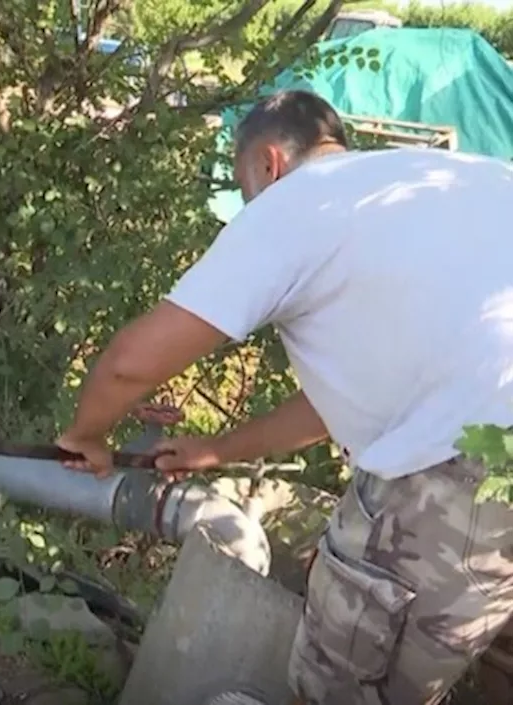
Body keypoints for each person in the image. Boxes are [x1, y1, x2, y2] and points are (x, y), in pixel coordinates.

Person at [54, 89, 514, 704]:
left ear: (268, 163)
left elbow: (130, 364)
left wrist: (86, 437)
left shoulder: (299, 202)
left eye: (246, 188)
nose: (249, 204)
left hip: (466, 474)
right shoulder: (441, 182)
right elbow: (349, 398)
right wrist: (217, 449)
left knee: (337, 688)